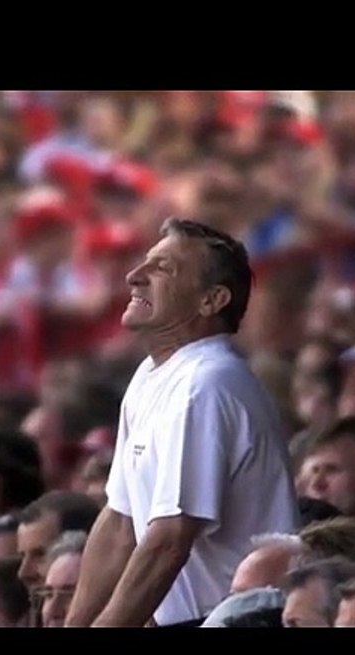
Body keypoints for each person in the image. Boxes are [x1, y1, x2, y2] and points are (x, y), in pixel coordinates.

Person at [66, 218, 298, 627]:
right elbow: (120, 524)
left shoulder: (208, 383)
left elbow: (170, 540)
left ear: (212, 300)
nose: (134, 277)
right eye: (145, 263)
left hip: (241, 619)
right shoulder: (151, 375)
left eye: (164, 269)